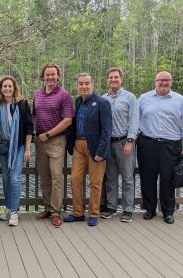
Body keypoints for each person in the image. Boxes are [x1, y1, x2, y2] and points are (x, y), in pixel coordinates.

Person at [138, 71, 183, 224]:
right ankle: (150, 209)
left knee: (168, 180)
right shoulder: (143, 99)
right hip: (147, 143)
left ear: (171, 82)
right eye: (160, 80)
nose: (163, 83)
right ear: (155, 81)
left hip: (171, 145)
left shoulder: (180, 100)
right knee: (147, 178)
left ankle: (168, 212)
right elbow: (134, 121)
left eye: (166, 80)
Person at [65, 73, 112, 227]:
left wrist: (101, 152)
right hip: (78, 145)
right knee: (75, 179)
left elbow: (107, 130)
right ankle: (78, 213)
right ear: (77, 85)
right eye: (81, 83)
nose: (84, 86)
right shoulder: (78, 101)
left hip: (95, 148)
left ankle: (93, 213)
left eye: (87, 83)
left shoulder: (102, 103)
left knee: (95, 183)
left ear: (92, 84)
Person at [33, 63, 74, 227]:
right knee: (44, 177)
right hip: (39, 141)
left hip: (56, 140)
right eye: (47, 74)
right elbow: (33, 116)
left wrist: (49, 134)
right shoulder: (37, 94)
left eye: (53, 74)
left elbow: (67, 120)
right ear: (43, 77)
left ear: (58, 76)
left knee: (56, 176)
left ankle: (57, 212)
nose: (50, 77)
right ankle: (48, 208)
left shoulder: (64, 95)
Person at [0, 76, 33, 226]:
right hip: (3, 145)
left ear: (14, 88)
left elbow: (29, 127)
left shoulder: (22, 104)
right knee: (5, 178)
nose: (7, 89)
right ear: (1, 89)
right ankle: (9, 208)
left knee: (15, 178)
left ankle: (15, 212)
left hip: (18, 146)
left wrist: (28, 149)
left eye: (10, 86)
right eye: (4, 86)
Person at [101, 68, 138, 222]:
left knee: (128, 177)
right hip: (108, 143)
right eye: (111, 77)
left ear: (121, 79)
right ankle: (111, 207)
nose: (113, 80)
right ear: (107, 80)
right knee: (110, 177)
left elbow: (134, 120)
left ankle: (128, 209)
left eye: (116, 77)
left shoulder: (130, 97)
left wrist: (130, 140)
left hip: (124, 142)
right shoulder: (103, 98)